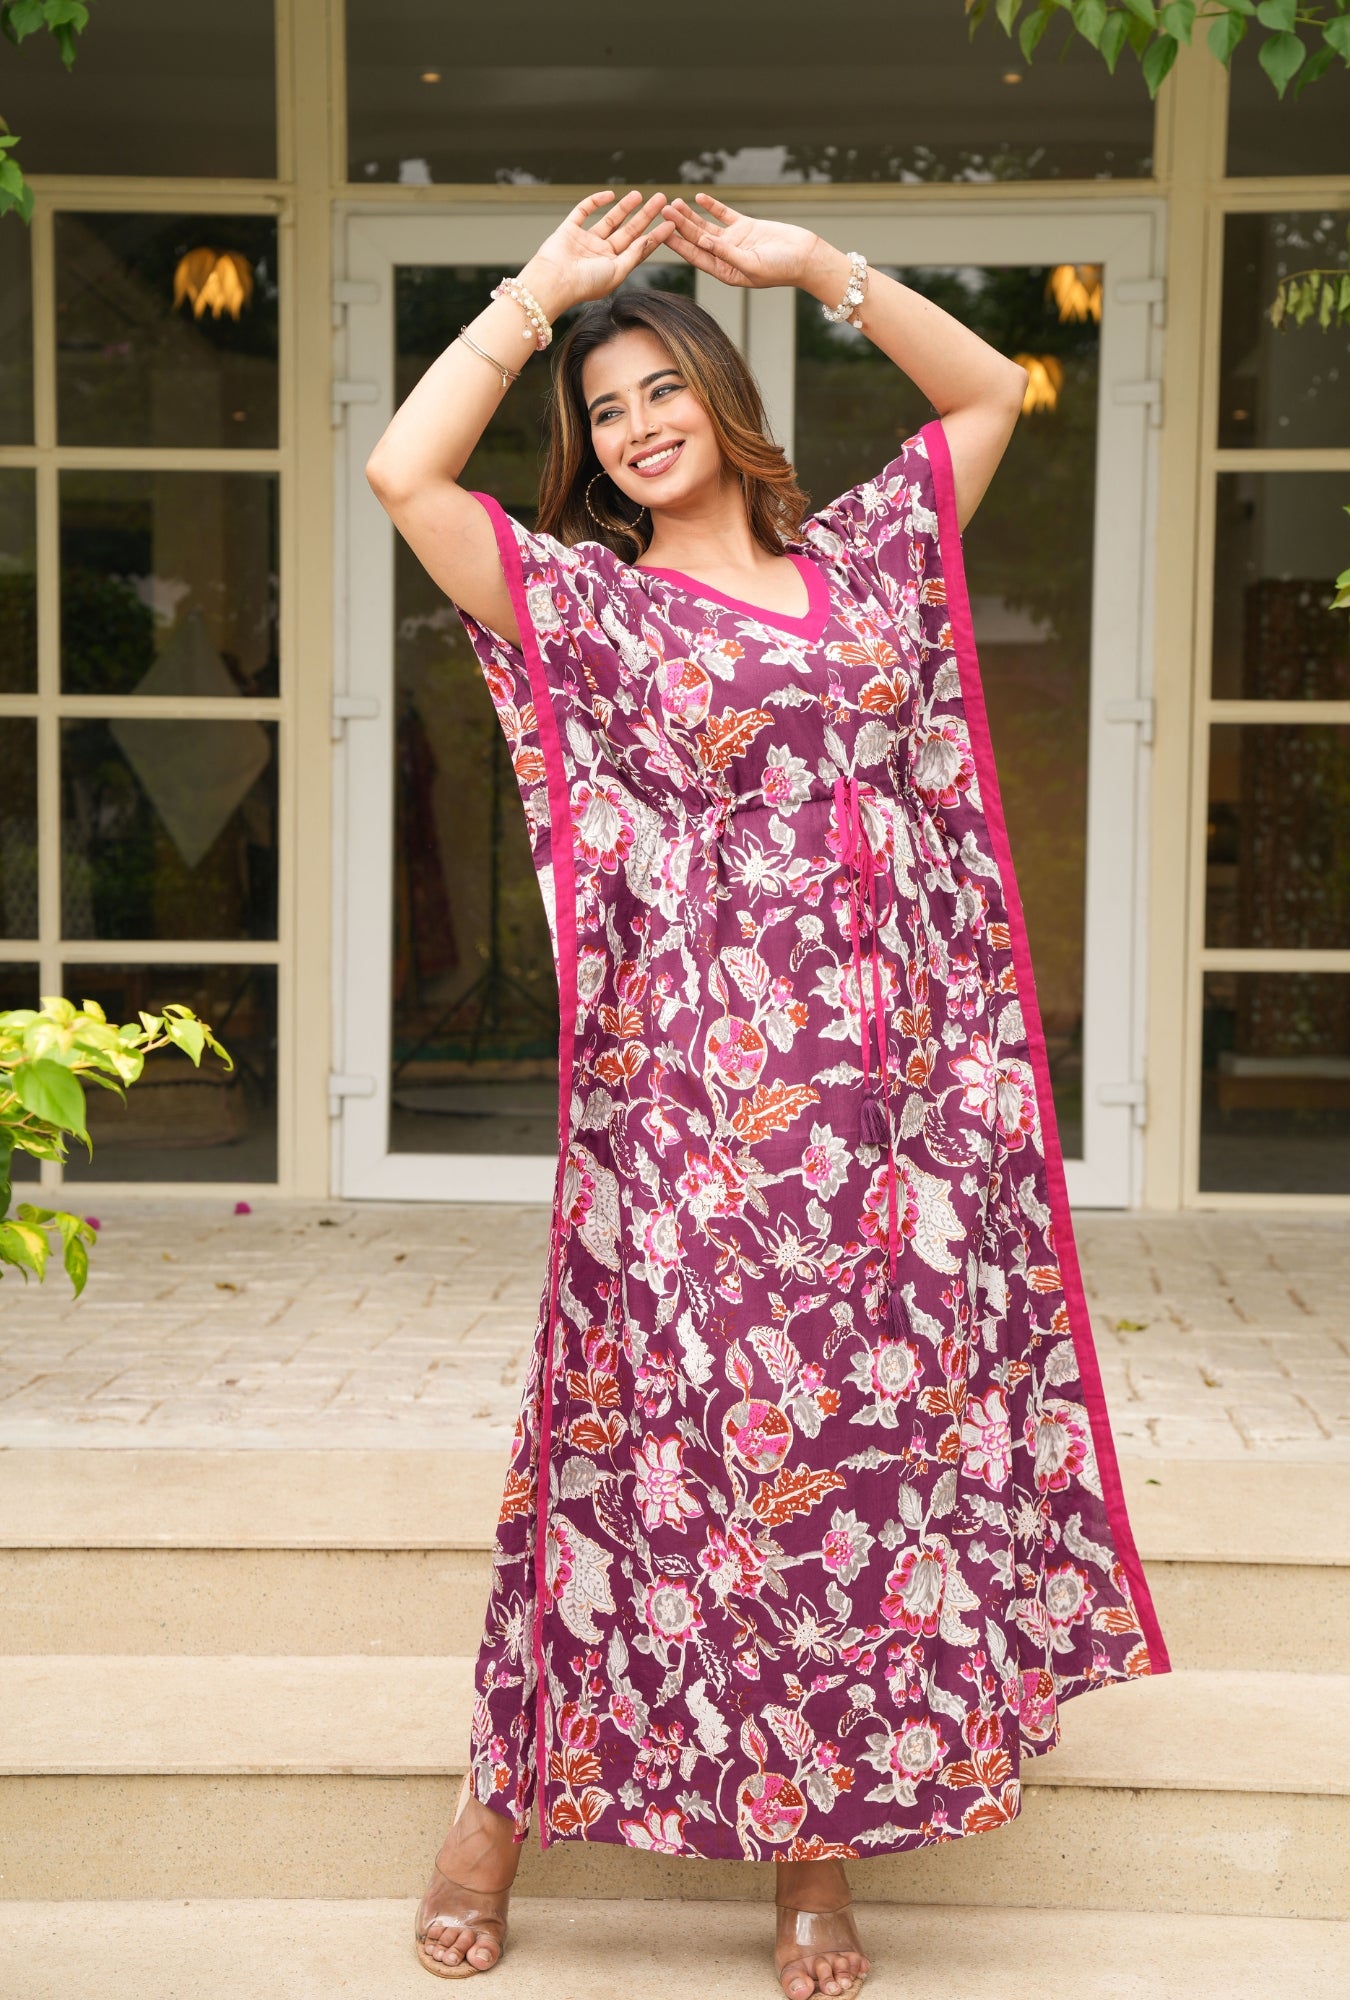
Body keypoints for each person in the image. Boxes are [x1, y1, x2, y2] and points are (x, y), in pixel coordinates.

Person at [366, 190, 1169, 2000]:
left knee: (857, 1470)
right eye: (605, 414)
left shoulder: (871, 561)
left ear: (725, 399)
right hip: (697, 1120)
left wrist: (817, 269)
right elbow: (407, 477)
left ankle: (815, 1863)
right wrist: (537, 299)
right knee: (641, 1454)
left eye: (662, 387)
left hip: (899, 1126)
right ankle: (496, 1807)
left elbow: (989, 396)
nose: (637, 426)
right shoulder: (592, 607)